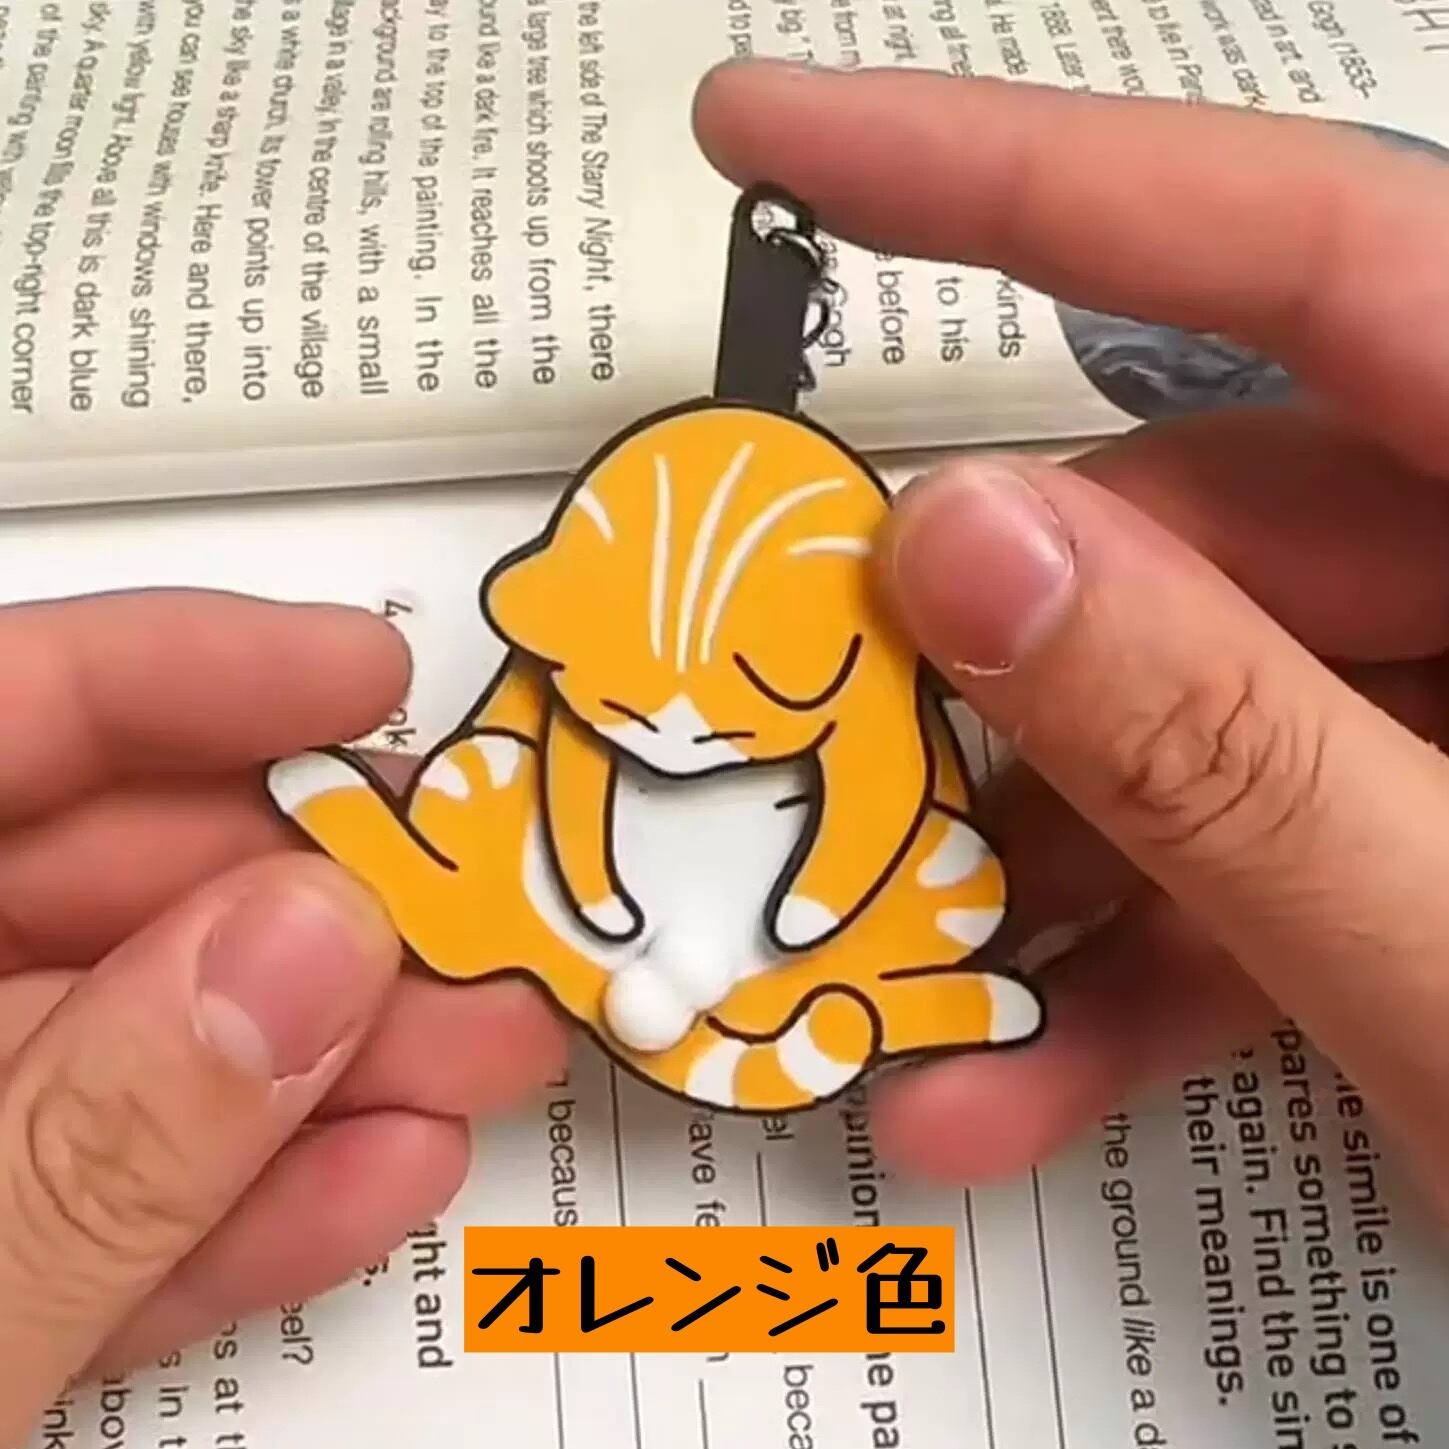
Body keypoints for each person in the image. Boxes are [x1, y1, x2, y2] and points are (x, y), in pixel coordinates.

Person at [5, 58, 1449, 1435]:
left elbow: (877, 796)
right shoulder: (576, 661)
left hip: (768, 940)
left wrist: (810, 913)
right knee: (495, 789)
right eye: (640, 698)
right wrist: (594, 895)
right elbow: (566, 768)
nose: (681, 730)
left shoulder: (865, 666)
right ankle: (456, 893)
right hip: (611, 934)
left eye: (742, 699)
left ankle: (872, 1005)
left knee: (940, 889)